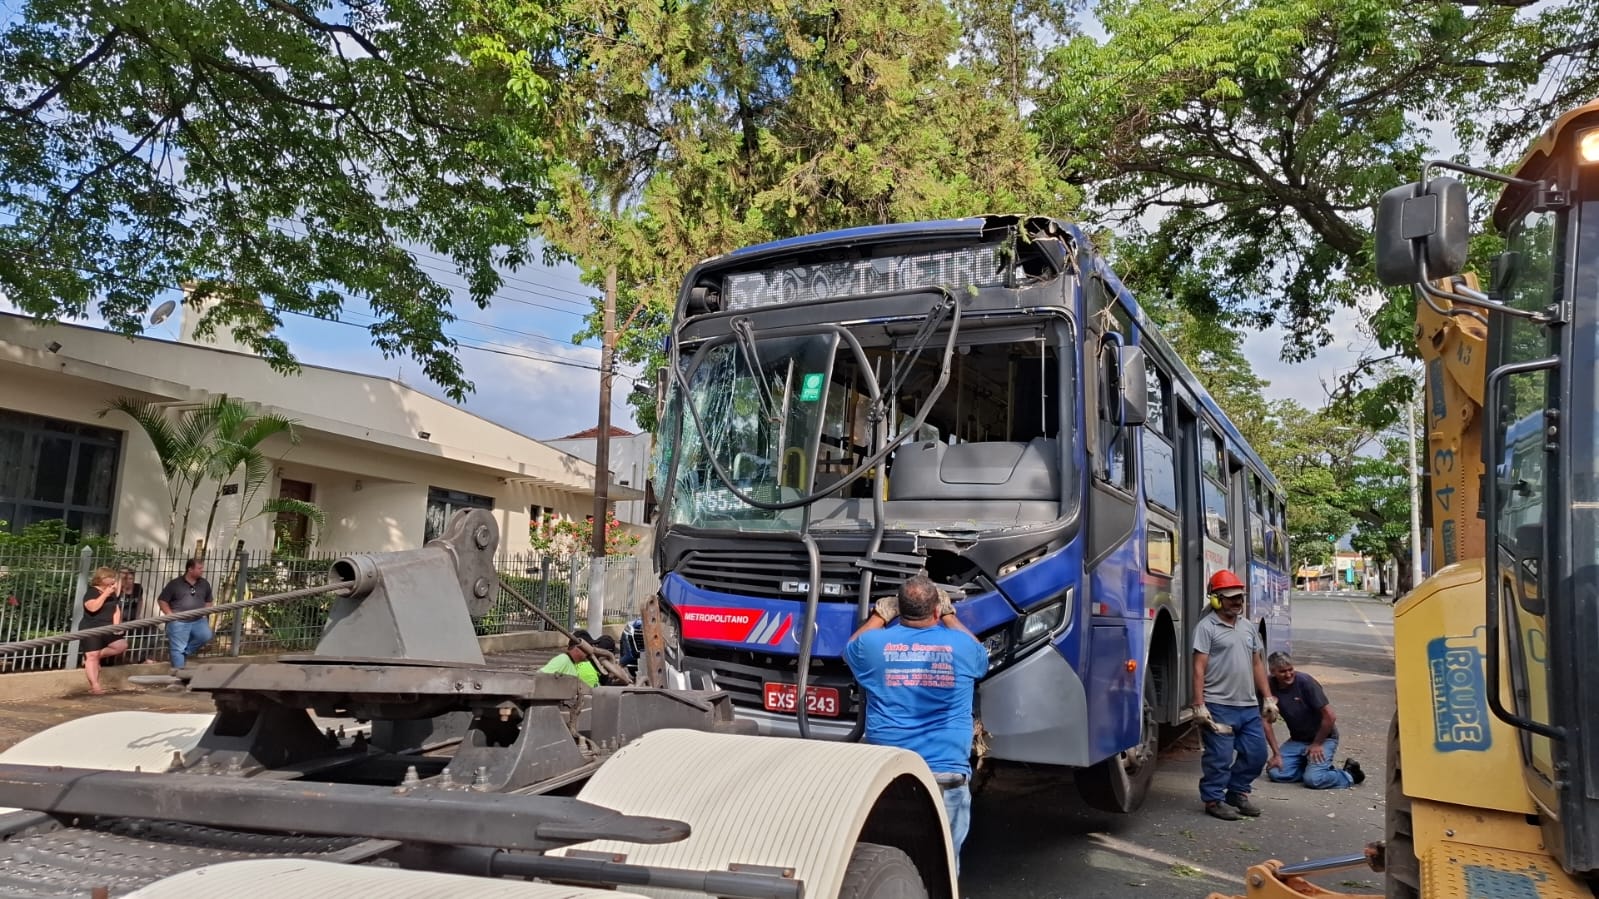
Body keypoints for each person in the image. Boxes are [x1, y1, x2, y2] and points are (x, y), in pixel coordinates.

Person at [845, 575, 987, 870]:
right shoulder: (960, 646)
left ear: (899, 608)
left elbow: (851, 647)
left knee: (889, 864)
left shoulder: (874, 645)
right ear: (935, 610)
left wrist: (878, 615)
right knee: (942, 866)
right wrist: (949, 617)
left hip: (890, 775)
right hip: (945, 775)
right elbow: (980, 656)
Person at [1192, 569, 1279, 821]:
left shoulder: (1248, 628)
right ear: (1217, 599)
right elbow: (1199, 668)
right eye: (1231, 598)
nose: (1237, 602)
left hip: (1248, 706)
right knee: (1219, 757)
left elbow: (1257, 664)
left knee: (1257, 754)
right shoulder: (1206, 628)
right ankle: (1213, 799)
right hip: (1218, 705)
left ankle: (1237, 792)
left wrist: (1269, 698)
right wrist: (1199, 705)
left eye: (1240, 597)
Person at [1264, 652, 1365, 789]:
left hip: (1324, 738)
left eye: (1290, 670)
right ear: (1273, 672)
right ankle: (1312, 767)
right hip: (1298, 739)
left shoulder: (1305, 682)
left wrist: (1317, 744)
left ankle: (1349, 775)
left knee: (1314, 780)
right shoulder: (1267, 685)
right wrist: (1276, 754)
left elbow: (1330, 716)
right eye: (1282, 672)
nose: (1288, 675)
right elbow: (1265, 722)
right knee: (1276, 772)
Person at [158, 558, 214, 671]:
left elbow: (209, 600)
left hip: (198, 620)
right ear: (190, 569)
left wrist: (205, 613)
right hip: (179, 621)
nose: (202, 570)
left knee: (206, 636)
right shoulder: (175, 584)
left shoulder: (204, 583)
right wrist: (169, 614)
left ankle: (185, 652)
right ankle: (178, 676)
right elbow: (162, 600)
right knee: (177, 648)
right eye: (199, 568)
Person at [79, 567, 128, 694]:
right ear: (101, 579)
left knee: (121, 645)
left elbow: (116, 609)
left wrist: (117, 626)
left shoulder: (112, 593)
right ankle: (95, 686)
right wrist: (105, 594)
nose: (113, 580)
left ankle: (91, 656)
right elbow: (93, 608)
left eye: (113, 577)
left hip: (108, 627)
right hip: (91, 627)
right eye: (110, 577)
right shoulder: (92, 592)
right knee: (92, 656)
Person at [114, 568, 145, 663]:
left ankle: (140, 658)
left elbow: (140, 601)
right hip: (119, 621)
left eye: (131, 579)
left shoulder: (138, 588)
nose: (128, 581)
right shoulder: (117, 590)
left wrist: (137, 616)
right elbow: (114, 605)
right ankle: (118, 660)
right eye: (125, 579)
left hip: (132, 619)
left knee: (150, 634)